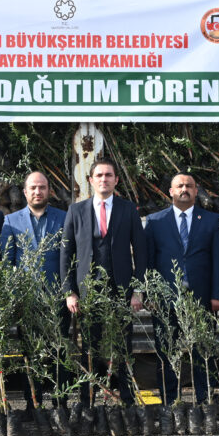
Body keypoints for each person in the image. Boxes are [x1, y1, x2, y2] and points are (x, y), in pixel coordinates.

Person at [60, 157, 147, 405]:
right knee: (90, 346)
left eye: (108, 175)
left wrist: (138, 290)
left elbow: (140, 251)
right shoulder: (76, 211)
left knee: (123, 345)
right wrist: (70, 291)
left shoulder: (128, 209)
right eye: (99, 175)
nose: (104, 179)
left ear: (116, 180)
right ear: (90, 180)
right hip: (88, 291)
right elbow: (66, 253)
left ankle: (128, 399)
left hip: (121, 290)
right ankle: (88, 401)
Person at [145, 172, 219, 404]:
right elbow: (149, 261)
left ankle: (206, 398)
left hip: (201, 300)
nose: (184, 189)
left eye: (189, 186)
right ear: (170, 191)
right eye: (179, 186)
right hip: (165, 300)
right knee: (167, 353)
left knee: (204, 351)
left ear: (196, 190)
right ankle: (172, 402)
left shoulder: (211, 221)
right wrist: (150, 294)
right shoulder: (155, 222)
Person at [0, 172, 68, 417]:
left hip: (57, 299)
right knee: (30, 352)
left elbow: (69, 257)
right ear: (25, 192)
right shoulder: (11, 221)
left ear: (49, 191)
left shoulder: (64, 217)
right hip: (26, 300)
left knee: (59, 350)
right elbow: (6, 262)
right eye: (33, 188)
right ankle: (33, 403)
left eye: (42, 188)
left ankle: (61, 403)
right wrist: (12, 296)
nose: (37, 192)